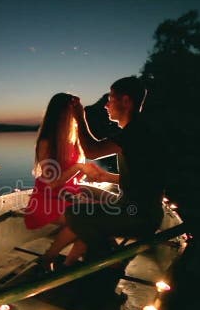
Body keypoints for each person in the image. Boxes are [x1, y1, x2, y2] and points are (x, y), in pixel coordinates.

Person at [66, 76, 166, 259]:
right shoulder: (139, 130)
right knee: (86, 192)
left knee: (75, 213)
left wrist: (79, 117)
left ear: (126, 101)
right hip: (137, 207)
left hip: (138, 214)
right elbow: (143, 179)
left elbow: (91, 151)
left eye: (111, 99)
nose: (106, 105)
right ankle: (107, 249)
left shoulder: (135, 132)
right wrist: (106, 176)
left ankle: (106, 259)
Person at [24, 92, 88, 266]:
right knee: (85, 221)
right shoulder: (46, 142)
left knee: (98, 218)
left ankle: (68, 265)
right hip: (47, 200)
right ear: (62, 115)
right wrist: (78, 168)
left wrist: (82, 175)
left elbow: (72, 175)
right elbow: (51, 182)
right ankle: (48, 259)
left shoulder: (73, 141)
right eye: (72, 111)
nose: (75, 116)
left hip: (69, 196)